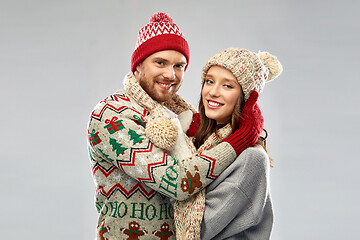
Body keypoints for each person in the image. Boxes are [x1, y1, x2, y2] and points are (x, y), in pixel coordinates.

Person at [87, 13, 264, 239]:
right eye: (160, 62)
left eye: (179, 66)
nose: (170, 75)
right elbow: (179, 183)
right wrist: (241, 137)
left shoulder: (178, 117)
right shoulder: (112, 114)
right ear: (139, 64)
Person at [151, 48, 283, 239]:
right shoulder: (195, 138)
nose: (213, 92)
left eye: (227, 86)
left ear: (246, 98)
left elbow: (199, 228)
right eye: (209, 81)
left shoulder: (251, 158)